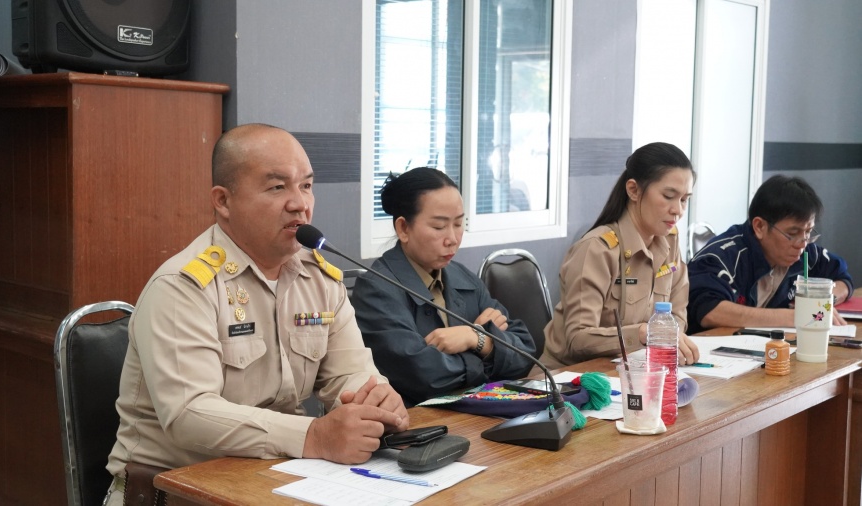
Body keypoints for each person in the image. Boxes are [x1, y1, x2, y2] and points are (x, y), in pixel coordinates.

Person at [103, 124, 408, 505]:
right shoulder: (182, 287)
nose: (299, 203)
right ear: (223, 201)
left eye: (306, 185)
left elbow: (350, 374)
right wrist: (313, 436)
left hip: (273, 483)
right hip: (172, 493)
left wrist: (374, 401)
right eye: (277, 187)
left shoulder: (319, 279)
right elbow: (188, 414)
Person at [350, 167, 537, 406]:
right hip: (416, 420)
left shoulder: (462, 277)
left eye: (459, 224)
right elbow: (425, 376)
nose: (453, 239)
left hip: (479, 411)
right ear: (403, 228)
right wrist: (491, 351)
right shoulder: (376, 289)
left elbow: (526, 353)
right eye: (439, 227)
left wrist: (475, 338)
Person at [541, 142, 701, 368]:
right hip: (571, 377)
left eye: (684, 199)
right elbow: (578, 338)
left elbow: (677, 317)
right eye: (668, 196)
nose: (678, 210)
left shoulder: (669, 242)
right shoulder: (597, 249)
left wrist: (666, 341)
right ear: (633, 190)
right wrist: (643, 333)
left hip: (635, 371)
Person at [687, 175, 853, 331]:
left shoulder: (805, 252)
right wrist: (793, 317)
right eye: (792, 233)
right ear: (760, 227)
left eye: (808, 232)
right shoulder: (723, 257)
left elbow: (842, 278)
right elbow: (709, 311)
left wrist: (824, 301)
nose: (802, 244)